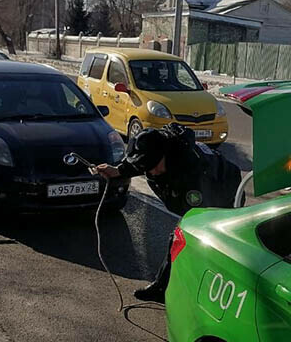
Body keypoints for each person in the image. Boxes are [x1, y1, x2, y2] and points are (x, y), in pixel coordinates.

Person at [97, 124, 241, 303]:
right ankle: (161, 288)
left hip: (224, 192)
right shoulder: (155, 155)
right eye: (146, 166)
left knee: (204, 244)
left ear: (164, 156)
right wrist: (117, 171)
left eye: (153, 166)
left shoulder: (192, 173)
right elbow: (141, 163)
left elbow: (199, 217)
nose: (151, 172)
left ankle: (206, 296)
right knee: (178, 240)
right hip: (198, 193)